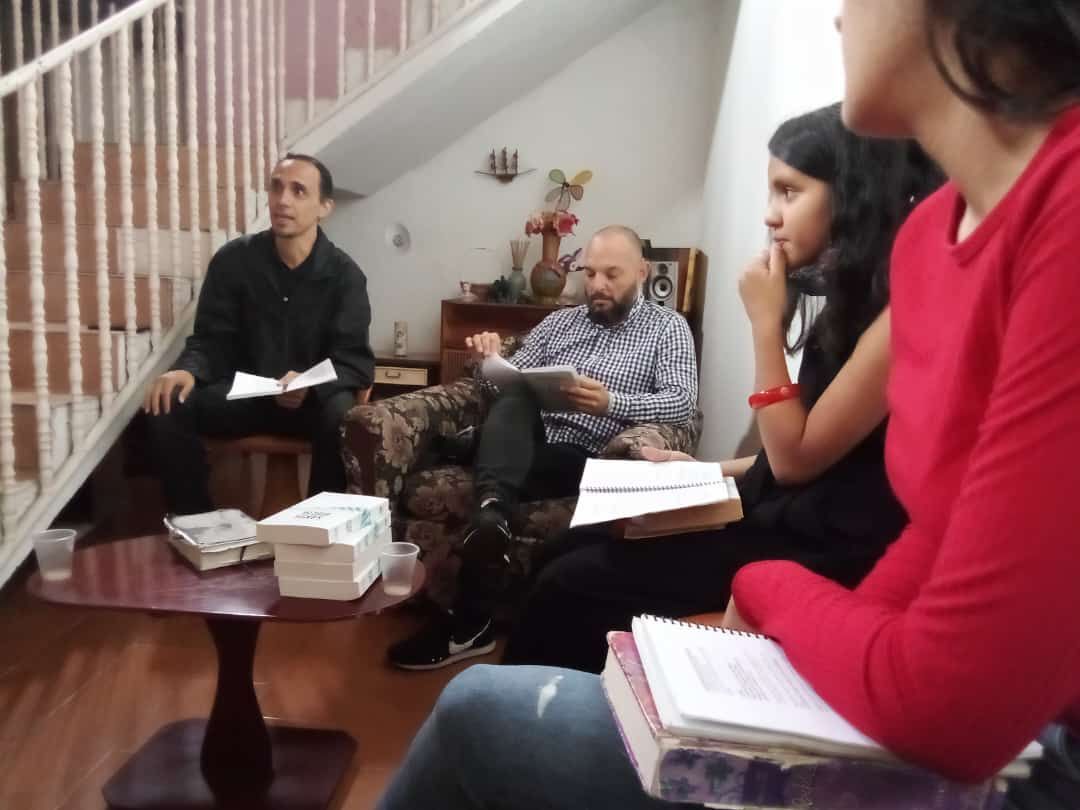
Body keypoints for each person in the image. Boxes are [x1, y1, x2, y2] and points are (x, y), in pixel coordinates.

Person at [376, 1, 1080, 808]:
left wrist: (767, 587)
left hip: (1021, 733)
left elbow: (798, 465)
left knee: (500, 679)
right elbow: (936, 528)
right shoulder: (934, 248)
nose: (841, 19)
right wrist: (505, 369)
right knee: (539, 503)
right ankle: (495, 527)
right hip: (876, 619)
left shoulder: (1040, 232)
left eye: (789, 190)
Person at [502, 103, 942, 674]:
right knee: (566, 550)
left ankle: (547, 725)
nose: (771, 215)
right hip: (783, 512)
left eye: (789, 192)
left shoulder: (901, 311)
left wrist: (764, 324)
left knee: (570, 585)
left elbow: (796, 461)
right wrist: (694, 468)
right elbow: (795, 453)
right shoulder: (850, 300)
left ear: (853, 194)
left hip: (822, 547)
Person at [387, 225, 698, 670]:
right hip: (530, 442)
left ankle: (470, 615)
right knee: (515, 396)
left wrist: (613, 401)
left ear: (643, 272)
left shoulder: (667, 328)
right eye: (590, 274)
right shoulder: (559, 322)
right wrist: (487, 358)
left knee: (499, 455)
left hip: (587, 455)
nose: (597, 286)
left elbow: (683, 400)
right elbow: (502, 383)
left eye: (612, 274)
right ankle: (489, 515)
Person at [143, 154, 374, 514]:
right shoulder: (233, 261)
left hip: (311, 406)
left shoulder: (346, 276)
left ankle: (320, 530)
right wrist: (187, 370)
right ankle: (197, 526)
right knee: (168, 401)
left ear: (324, 207)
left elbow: (354, 361)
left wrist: (309, 385)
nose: (283, 200)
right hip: (244, 398)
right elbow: (211, 341)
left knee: (342, 414)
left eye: (299, 191)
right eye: (277, 187)